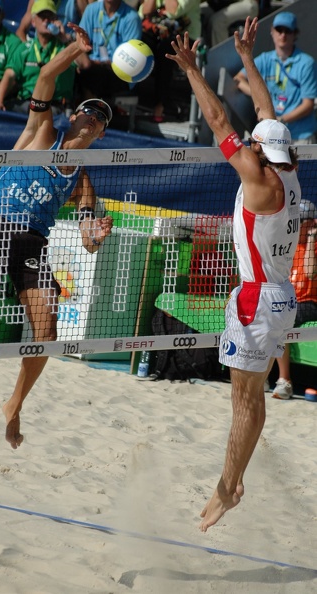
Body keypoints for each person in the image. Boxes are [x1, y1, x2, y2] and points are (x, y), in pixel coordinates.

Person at [167, 16, 301, 531]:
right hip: (278, 296)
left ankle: (227, 488)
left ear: (261, 153)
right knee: (251, 397)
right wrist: (246, 56)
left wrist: (192, 69)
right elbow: (266, 113)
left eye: (253, 145)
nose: (247, 146)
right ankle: (235, 478)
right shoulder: (288, 171)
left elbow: (220, 120)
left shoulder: (260, 180)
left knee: (243, 400)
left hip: (257, 299)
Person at [0, 24, 113, 449]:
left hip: (32, 241)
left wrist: (96, 234)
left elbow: (87, 241)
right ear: (74, 116)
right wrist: (76, 49)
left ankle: (14, 403)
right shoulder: (43, 131)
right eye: (89, 110)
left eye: (101, 117)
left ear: (101, 134)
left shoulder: (81, 180)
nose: (94, 117)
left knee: (47, 329)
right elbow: (46, 77)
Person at [235, 12, 317, 144]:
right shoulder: (265, 59)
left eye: (288, 31)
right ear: (272, 31)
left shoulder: (306, 63)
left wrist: (281, 119)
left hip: (299, 136)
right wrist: (260, 95)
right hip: (272, 135)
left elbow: (308, 105)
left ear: (295, 34)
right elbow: (238, 79)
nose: (283, 35)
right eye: (279, 30)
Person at [0, 0, 76, 114]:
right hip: (26, 103)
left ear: (55, 20)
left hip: (53, 106)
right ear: (33, 22)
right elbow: (9, 75)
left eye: (50, 17)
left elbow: (84, 64)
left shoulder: (65, 48)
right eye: (42, 16)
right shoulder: (24, 49)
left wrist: (64, 38)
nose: (46, 20)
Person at [271, 198, 317, 399]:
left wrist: (311, 240)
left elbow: (310, 273)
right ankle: (262, 372)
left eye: (299, 221)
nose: (294, 225)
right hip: (289, 299)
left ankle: (285, 381)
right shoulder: (287, 245)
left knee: (281, 318)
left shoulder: (312, 245)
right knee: (266, 313)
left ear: (310, 224)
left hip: (311, 302)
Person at [138, 0, 201, 122]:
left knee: (166, 49)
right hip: (158, 32)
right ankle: (129, 96)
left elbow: (173, 12)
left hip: (185, 38)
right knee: (138, 42)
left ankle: (160, 105)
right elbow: (144, 12)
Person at [75, 0, 142, 105]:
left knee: (92, 73)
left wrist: (97, 64)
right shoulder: (91, 9)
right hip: (92, 65)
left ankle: (90, 111)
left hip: (119, 72)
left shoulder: (132, 17)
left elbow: (130, 61)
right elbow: (80, 42)